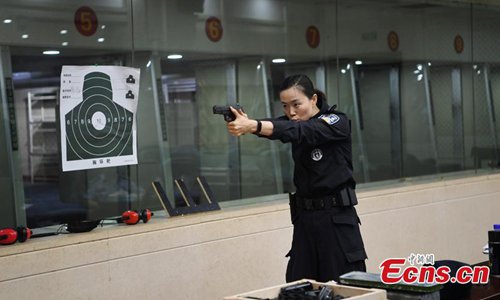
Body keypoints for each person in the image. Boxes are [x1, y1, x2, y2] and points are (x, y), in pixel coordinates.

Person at [226, 74, 367, 283]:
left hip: (336, 220)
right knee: (298, 286)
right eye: (284, 106)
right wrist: (248, 123)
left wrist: (253, 126)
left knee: (346, 286)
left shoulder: (336, 121)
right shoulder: (295, 123)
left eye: (296, 104)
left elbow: (302, 131)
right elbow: (281, 127)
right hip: (305, 221)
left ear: (313, 99)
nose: (291, 112)